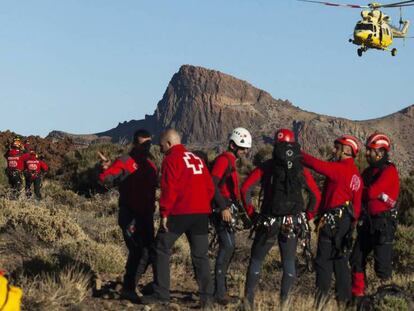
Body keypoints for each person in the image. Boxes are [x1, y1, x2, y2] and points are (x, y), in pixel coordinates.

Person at [241, 129, 321, 310]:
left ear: (275, 147)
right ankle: (284, 305)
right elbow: (316, 195)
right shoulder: (301, 168)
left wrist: (253, 214)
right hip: (291, 223)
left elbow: (245, 188)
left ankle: (248, 304)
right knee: (289, 265)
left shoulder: (267, 166)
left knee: (256, 261)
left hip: (268, 220)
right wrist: (306, 216)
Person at [142, 129, 215, 309]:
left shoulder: (171, 159)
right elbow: (210, 187)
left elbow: (169, 188)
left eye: (161, 146)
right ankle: (207, 299)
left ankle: (161, 294)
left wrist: (164, 213)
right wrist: (204, 206)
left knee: (160, 247)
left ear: (168, 143)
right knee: (200, 256)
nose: (160, 150)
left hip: (181, 212)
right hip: (201, 213)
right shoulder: (197, 159)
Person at [301, 134, 363, 308]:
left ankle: (320, 302)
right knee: (341, 260)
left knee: (323, 261)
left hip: (332, 222)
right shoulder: (356, 175)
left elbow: (316, 165)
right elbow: (357, 207)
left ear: (347, 150)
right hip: (346, 223)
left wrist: (297, 153)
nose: (334, 150)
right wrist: (351, 227)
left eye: (337, 148)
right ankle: (344, 302)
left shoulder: (339, 169)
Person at [99, 129, 157, 302]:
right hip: (129, 214)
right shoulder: (124, 161)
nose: (146, 148)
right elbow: (105, 179)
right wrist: (104, 169)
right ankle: (128, 287)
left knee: (149, 251)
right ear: (134, 143)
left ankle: (135, 285)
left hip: (146, 215)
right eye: (143, 144)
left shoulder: (152, 165)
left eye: (149, 144)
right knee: (137, 250)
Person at [351, 133, 400, 302]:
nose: (366, 153)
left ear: (380, 152)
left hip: (383, 224)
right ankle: (358, 298)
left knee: (382, 266)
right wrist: (365, 193)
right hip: (368, 222)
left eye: (370, 150)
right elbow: (362, 192)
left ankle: (387, 301)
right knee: (356, 259)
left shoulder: (389, 171)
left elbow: (369, 192)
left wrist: (364, 192)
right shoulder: (368, 171)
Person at [211, 127, 252, 305]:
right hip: (222, 210)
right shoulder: (223, 160)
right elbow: (212, 185)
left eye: (246, 149)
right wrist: (222, 208)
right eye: (242, 148)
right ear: (232, 145)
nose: (244, 152)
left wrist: (244, 216)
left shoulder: (230, 161)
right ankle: (219, 292)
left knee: (229, 247)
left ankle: (221, 290)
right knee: (227, 247)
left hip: (228, 209)